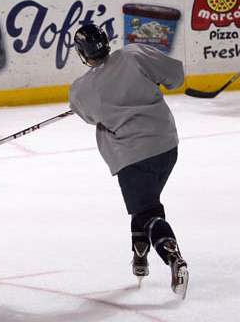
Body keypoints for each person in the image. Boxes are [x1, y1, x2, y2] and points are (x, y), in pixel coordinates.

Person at [68, 24, 189, 298]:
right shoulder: (135, 55)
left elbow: (90, 117)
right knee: (144, 204)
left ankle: (174, 258)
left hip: (133, 158)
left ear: (81, 53)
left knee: (147, 212)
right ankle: (139, 259)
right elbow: (175, 76)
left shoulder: (81, 90)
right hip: (167, 146)